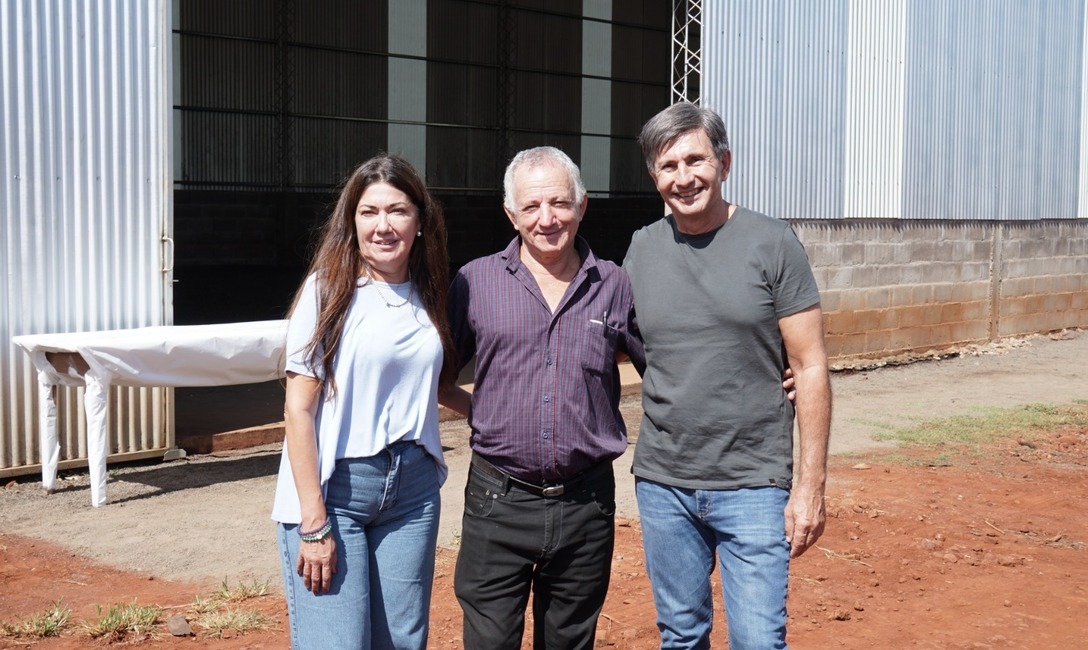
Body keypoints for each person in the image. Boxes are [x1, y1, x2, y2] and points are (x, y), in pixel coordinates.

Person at [623, 102, 832, 649]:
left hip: (753, 482)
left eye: (696, 160)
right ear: (653, 176)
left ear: (725, 162)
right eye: (668, 166)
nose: (684, 177)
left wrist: (809, 488)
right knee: (681, 637)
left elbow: (810, 364)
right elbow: (639, 346)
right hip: (664, 481)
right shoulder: (642, 249)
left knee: (759, 640)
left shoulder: (772, 242)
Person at [441, 146, 644, 649]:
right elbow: (436, 375)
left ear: (582, 205)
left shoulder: (615, 284)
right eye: (531, 207)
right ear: (511, 214)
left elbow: (665, 368)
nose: (547, 219)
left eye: (559, 203)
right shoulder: (475, 282)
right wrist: (484, 413)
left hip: (586, 504)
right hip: (497, 502)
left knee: (571, 642)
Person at [270, 154, 458, 649]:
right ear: (350, 222)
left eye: (397, 211)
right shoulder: (327, 291)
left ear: (420, 220)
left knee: (402, 641)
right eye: (369, 212)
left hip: (413, 490)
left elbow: (427, 383)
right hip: (337, 492)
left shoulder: (430, 292)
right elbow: (298, 410)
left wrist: (493, 414)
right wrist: (313, 522)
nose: (383, 226)